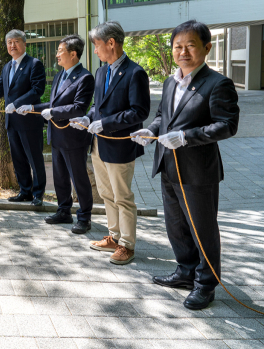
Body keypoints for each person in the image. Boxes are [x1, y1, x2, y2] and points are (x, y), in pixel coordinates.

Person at [131, 20, 239, 309]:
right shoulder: (170, 81)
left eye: (190, 45)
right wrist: (151, 131)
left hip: (197, 172)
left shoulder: (218, 83)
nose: (183, 51)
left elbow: (227, 126)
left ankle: (206, 284)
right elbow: (161, 116)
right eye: (178, 46)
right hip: (167, 165)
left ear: (206, 47)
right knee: (176, 225)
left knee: (203, 229)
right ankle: (185, 271)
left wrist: (186, 137)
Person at [69, 21, 150, 265]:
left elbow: (139, 111)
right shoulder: (102, 71)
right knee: (105, 193)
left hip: (120, 145)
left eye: (96, 45)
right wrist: (88, 117)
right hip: (98, 144)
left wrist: (107, 123)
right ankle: (114, 237)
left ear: (111, 43)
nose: (94, 50)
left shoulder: (136, 73)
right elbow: (98, 107)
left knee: (122, 196)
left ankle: (127, 244)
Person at [17, 35, 95, 234]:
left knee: (79, 179)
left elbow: (78, 108)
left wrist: (53, 113)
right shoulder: (61, 75)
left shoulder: (85, 77)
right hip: (57, 135)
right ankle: (64, 211)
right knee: (59, 177)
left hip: (73, 138)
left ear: (73, 54)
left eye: (60, 51)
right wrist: (32, 107)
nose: (57, 55)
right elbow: (53, 105)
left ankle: (84, 217)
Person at [0, 29, 47, 206]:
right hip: (12, 122)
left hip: (29, 121)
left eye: (16, 41)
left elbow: (37, 90)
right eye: (9, 42)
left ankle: (38, 195)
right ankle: (25, 191)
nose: (12, 45)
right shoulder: (7, 67)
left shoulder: (34, 64)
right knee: (18, 158)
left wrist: (17, 103)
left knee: (34, 158)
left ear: (24, 44)